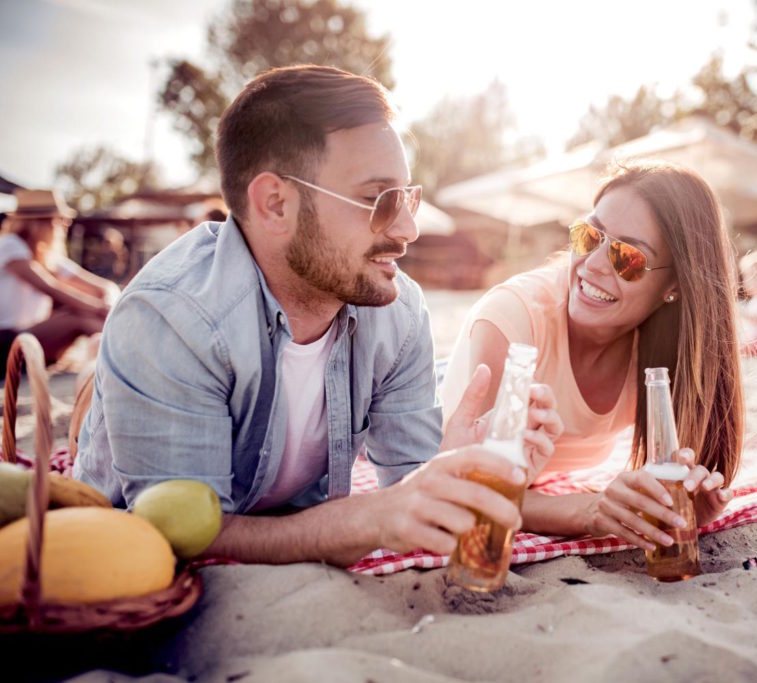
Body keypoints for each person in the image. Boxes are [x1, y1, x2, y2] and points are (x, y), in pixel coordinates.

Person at [73, 65, 562, 567]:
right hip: (119, 560)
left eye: (407, 198)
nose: (409, 228)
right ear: (276, 204)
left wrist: (458, 463)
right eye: (378, 199)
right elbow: (189, 538)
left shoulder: (398, 313)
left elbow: (410, 491)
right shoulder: (173, 318)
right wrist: (369, 517)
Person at [440, 160, 743, 553]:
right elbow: (485, 488)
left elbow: (692, 469)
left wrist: (679, 507)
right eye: (588, 236)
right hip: (441, 397)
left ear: (675, 285)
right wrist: (592, 510)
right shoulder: (511, 323)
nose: (594, 264)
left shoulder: (669, 354)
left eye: (627, 258)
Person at [0, 188, 118, 366]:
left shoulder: (46, 255)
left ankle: (125, 345)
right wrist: (98, 308)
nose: (65, 225)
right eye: (60, 219)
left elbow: (105, 286)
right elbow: (50, 287)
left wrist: (108, 302)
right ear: (37, 223)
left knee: (83, 315)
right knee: (77, 317)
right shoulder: (10, 246)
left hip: (32, 337)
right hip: (7, 339)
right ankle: (129, 349)